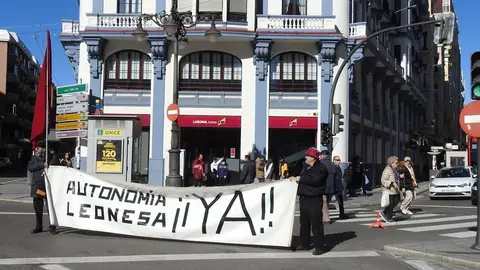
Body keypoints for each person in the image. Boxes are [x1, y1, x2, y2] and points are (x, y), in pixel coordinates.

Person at [290, 147, 329, 255]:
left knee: (316, 224)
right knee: (304, 223)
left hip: (314, 199)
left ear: (313, 158)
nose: (305, 157)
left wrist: (300, 179)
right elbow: (305, 180)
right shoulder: (306, 167)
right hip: (304, 198)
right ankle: (304, 243)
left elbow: (315, 180)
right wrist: (297, 180)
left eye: (307, 156)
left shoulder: (321, 168)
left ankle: (320, 247)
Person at [28, 141, 56, 235]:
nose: (41, 149)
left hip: (48, 186)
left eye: (42, 148)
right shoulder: (34, 158)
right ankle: (38, 226)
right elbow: (30, 168)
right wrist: (41, 165)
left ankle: (52, 226)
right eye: (39, 148)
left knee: (51, 208)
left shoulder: (49, 157)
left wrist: (49, 160)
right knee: (38, 209)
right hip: (37, 187)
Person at [380, 156, 401, 222]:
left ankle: (384, 213)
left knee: (397, 201)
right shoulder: (387, 170)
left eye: (398, 163)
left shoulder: (395, 169)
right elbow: (383, 180)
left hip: (396, 189)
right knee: (391, 203)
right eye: (396, 163)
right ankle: (389, 217)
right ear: (391, 163)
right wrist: (390, 183)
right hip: (390, 190)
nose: (398, 164)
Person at [328, 155, 348, 220]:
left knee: (340, 202)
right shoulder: (333, 167)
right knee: (327, 201)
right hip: (333, 187)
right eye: (337, 160)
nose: (339, 161)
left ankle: (342, 214)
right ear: (333, 161)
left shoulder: (338, 167)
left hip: (338, 188)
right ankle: (323, 215)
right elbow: (332, 178)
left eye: (339, 160)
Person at [319, 150, 335, 225]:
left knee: (324, 203)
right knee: (326, 203)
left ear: (322, 155)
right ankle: (324, 217)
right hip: (331, 187)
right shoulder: (332, 164)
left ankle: (326, 219)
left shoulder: (320, 164)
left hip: (324, 187)